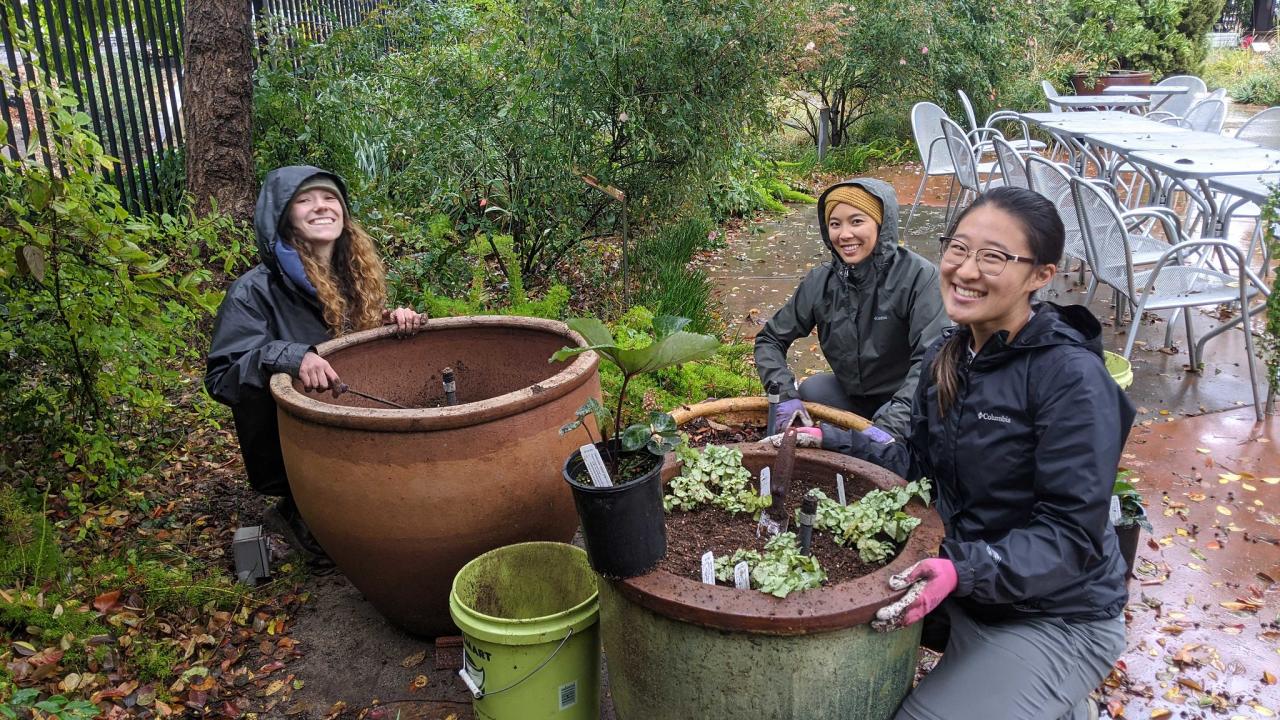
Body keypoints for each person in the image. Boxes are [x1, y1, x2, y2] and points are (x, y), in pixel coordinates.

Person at [768, 187, 1133, 720]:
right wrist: (834, 442)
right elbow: (918, 465)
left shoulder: (1070, 378)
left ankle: (1051, 685)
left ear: (1041, 275)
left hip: (1050, 612)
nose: (965, 270)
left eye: (994, 257)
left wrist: (961, 569)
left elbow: (1071, 535)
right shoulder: (951, 353)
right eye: (958, 248)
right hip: (968, 584)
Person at [205, 166, 424, 565]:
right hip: (296, 443)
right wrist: (290, 356)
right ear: (282, 216)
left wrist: (389, 321)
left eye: (329, 198)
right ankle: (296, 513)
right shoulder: (253, 292)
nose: (320, 207)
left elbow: (344, 337)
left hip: (348, 423)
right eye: (304, 200)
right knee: (345, 550)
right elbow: (224, 375)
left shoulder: (352, 276)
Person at [754, 178, 945, 442]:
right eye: (835, 224)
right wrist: (785, 395)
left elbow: (933, 361)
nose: (844, 235)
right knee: (814, 389)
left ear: (881, 224)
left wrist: (891, 425)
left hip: (907, 401)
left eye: (857, 221)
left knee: (913, 439)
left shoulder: (919, 278)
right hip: (854, 396)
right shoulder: (821, 281)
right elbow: (770, 339)